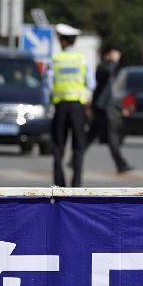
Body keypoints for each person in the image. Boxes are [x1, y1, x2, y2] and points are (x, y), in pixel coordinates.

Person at [51, 23, 88, 188]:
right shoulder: (82, 59)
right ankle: (76, 184)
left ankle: (59, 184)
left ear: (64, 41)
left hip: (60, 107)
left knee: (59, 146)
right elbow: (91, 84)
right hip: (78, 106)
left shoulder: (56, 59)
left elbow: (47, 85)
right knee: (78, 146)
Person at [86, 43, 133, 174]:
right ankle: (121, 164)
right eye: (112, 54)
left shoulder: (108, 69)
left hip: (105, 108)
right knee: (112, 137)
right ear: (106, 55)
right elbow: (107, 72)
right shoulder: (102, 68)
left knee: (92, 136)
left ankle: (74, 159)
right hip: (103, 109)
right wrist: (114, 60)